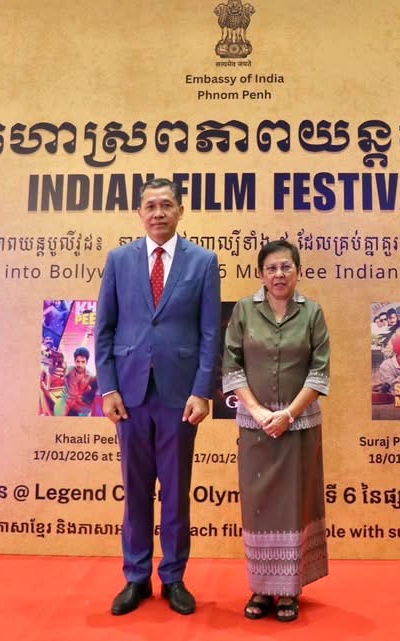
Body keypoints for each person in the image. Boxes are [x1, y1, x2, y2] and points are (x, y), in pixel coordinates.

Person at [94, 177, 221, 616]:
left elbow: (210, 333)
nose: (158, 213)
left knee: (176, 491)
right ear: (140, 213)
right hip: (129, 393)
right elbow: (104, 329)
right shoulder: (119, 260)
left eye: (167, 205)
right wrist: (108, 387)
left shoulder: (203, 261)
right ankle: (136, 577)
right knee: (135, 490)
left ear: (180, 211)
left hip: (179, 395)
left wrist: (202, 391)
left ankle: (173, 578)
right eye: (150, 206)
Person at [222, 240, 330, 624]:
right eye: (271, 268)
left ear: (298, 271)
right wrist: (258, 412)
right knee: (259, 506)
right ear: (261, 274)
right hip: (255, 428)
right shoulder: (244, 311)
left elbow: (320, 372)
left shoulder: (312, 312)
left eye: (286, 267)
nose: (279, 274)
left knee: (294, 505)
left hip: (299, 427)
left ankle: (289, 589)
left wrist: (287, 414)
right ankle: (261, 587)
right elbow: (231, 366)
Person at [55, 347, 95, 416]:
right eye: (78, 361)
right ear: (74, 361)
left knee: (87, 414)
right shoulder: (69, 369)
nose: (80, 365)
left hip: (79, 403)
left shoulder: (90, 376)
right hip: (65, 400)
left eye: (83, 362)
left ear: (87, 362)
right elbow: (63, 370)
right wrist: (60, 367)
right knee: (59, 416)